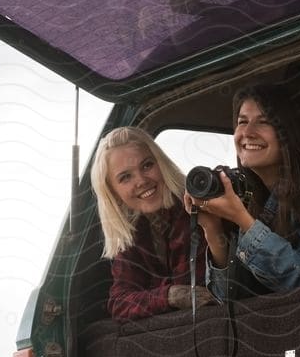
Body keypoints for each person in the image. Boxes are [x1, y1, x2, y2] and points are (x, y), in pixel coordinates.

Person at [189, 80, 300, 299]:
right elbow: (231, 300)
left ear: (291, 132)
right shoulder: (256, 200)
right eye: (242, 122)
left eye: (263, 122)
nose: (248, 132)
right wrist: (212, 228)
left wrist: (244, 221)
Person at [92, 127, 215, 320]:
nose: (141, 180)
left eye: (147, 165)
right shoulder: (132, 235)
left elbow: (199, 286)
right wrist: (169, 295)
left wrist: (152, 296)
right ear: (113, 193)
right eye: (125, 177)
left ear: (161, 164)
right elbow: (120, 302)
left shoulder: (196, 204)